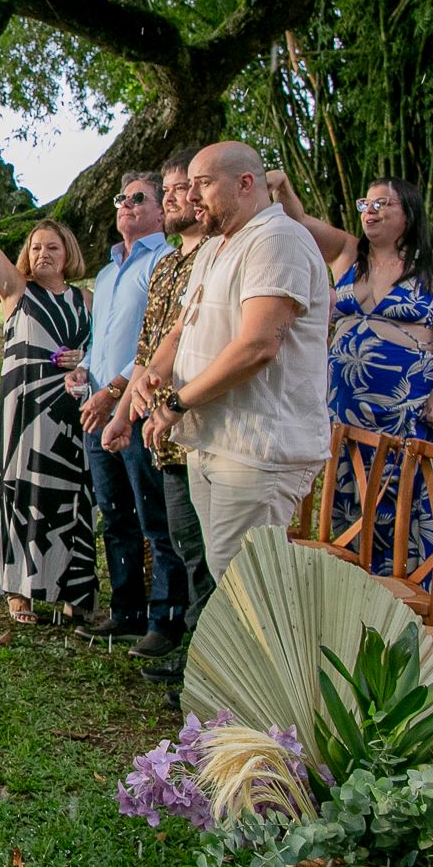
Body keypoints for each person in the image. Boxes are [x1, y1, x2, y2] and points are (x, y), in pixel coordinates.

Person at [137, 142, 331, 584]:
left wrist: (176, 403)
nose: (190, 197)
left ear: (246, 184)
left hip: (258, 447)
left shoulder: (276, 239)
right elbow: (182, 328)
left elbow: (258, 345)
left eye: (202, 184)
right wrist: (156, 372)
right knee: (228, 580)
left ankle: (276, 657)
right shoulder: (214, 248)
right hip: (213, 440)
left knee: (247, 588)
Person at [266, 172, 433, 575]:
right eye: (366, 204)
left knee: (406, 503)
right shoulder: (348, 253)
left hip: (408, 413)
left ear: (409, 214)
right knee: (351, 501)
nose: (371, 211)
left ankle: (412, 594)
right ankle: (356, 593)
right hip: (346, 413)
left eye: (384, 203)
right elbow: (300, 221)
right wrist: (283, 187)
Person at [0, 143, 97, 626]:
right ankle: (19, 589)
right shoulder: (15, 290)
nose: (42, 254)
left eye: (52, 247)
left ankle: (69, 589)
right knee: (23, 490)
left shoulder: (87, 300)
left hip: (71, 410)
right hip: (23, 413)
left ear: (68, 253)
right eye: (36, 247)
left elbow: (109, 349)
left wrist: (89, 359)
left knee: (70, 492)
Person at [102, 155, 216, 682]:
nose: (174, 198)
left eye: (178, 190)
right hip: (157, 422)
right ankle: (189, 645)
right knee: (174, 533)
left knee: (200, 546)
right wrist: (127, 411)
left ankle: (196, 647)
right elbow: (151, 346)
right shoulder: (170, 264)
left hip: (202, 425)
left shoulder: (214, 257)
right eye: (166, 190)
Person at [70, 171, 186, 652]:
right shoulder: (106, 270)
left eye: (139, 198)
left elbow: (158, 343)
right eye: (121, 198)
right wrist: (81, 369)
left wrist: (116, 391)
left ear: (162, 211)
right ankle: (126, 611)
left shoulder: (167, 262)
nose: (126, 205)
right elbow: (103, 338)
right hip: (97, 407)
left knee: (154, 516)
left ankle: (166, 620)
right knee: (115, 515)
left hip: (142, 406)